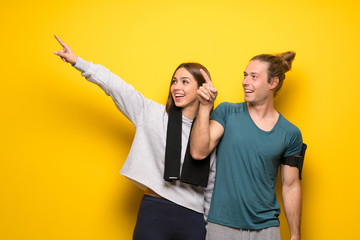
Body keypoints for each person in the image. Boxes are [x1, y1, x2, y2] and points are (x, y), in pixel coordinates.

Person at [53, 35, 216, 240]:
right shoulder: (150, 113)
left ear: (202, 88)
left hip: (193, 218)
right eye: (174, 81)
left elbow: (212, 182)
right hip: (155, 212)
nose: (176, 87)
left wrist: (210, 227)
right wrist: (79, 62)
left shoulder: (211, 130)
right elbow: (117, 87)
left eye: (185, 82)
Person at [190, 51, 306, 240]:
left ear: (273, 83)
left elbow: (291, 185)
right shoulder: (227, 113)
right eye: (245, 75)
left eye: (254, 77)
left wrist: (295, 234)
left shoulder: (290, 134)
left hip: (266, 229)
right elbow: (198, 152)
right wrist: (204, 107)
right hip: (221, 225)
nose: (245, 82)